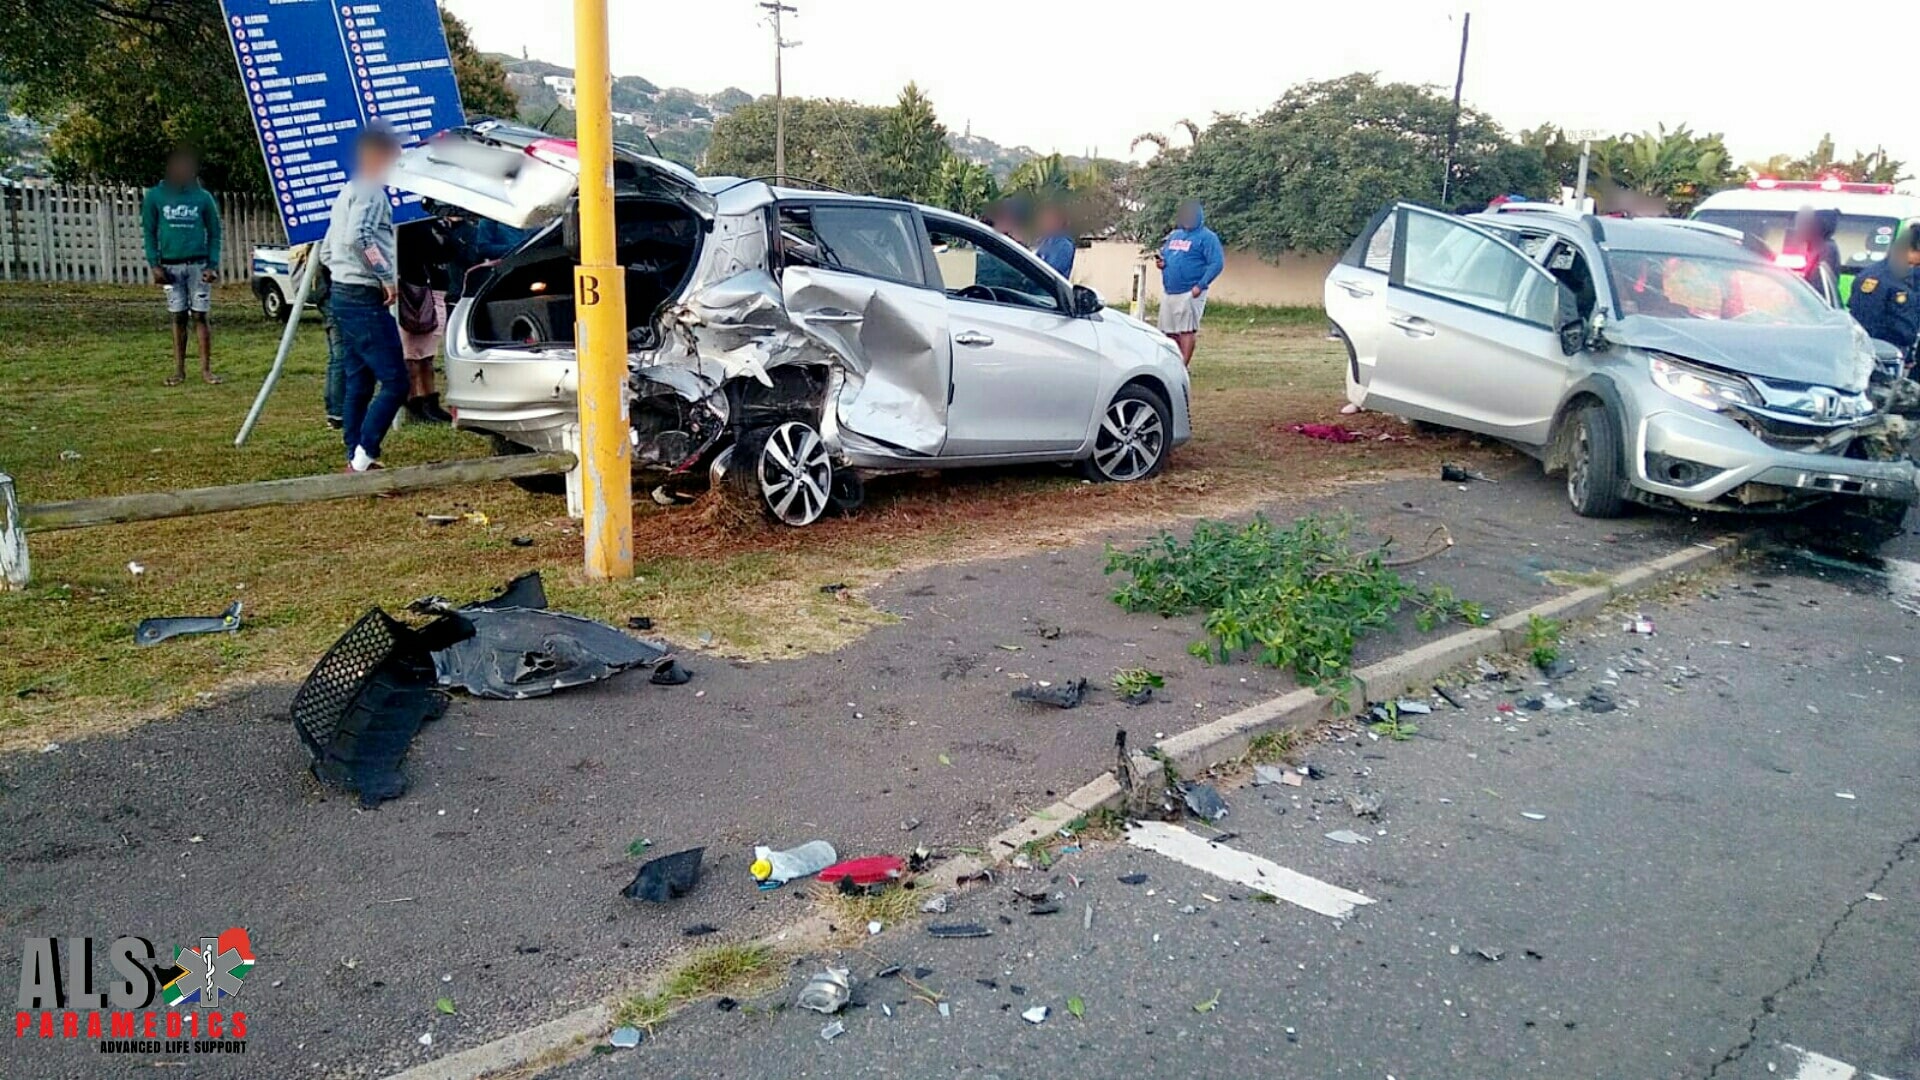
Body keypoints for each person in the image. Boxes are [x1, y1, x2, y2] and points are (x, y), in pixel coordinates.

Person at [321, 123, 407, 472]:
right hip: (363, 296)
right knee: (397, 381)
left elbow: (329, 249)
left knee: (360, 379)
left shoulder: (348, 191)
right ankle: (364, 456)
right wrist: (385, 276)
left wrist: (343, 275)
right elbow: (360, 237)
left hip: (342, 292)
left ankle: (354, 452)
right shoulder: (372, 191)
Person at [141, 147, 224, 385]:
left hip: (198, 265)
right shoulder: (155, 197)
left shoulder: (203, 197)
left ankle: (206, 370)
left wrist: (212, 264)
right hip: (170, 266)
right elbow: (149, 232)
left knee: (200, 315)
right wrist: (154, 264)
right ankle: (179, 370)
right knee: (177, 316)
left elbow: (215, 233)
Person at [396, 218, 454, 423]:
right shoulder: (409, 225)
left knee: (427, 354)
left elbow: (451, 250)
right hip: (414, 292)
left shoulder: (436, 224)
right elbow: (434, 250)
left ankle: (430, 400)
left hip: (435, 289)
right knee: (411, 355)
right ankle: (414, 402)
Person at [1154, 199, 1224, 366]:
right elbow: (1167, 257)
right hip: (1170, 291)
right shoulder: (1175, 235)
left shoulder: (1207, 238)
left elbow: (1217, 263)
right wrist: (1162, 264)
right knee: (1169, 331)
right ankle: (1173, 363)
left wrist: (1200, 285)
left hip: (1190, 291)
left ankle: (1184, 366)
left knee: (1186, 330)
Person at [1848, 224, 1920, 363]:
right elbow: (1866, 324)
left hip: (1900, 355)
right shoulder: (1876, 278)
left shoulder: (1907, 273)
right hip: (1880, 357)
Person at [1033, 205, 1076, 279]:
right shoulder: (1046, 241)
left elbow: (1049, 272)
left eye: (1048, 219)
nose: (1044, 223)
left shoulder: (1064, 245)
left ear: (1059, 221)